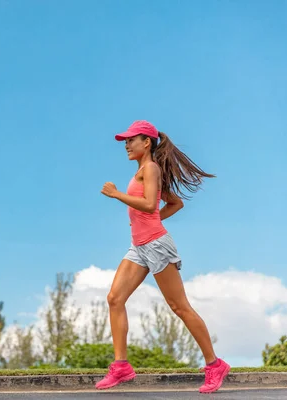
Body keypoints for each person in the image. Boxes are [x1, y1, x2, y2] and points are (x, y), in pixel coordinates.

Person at [96, 120, 230, 394]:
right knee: (114, 299)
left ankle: (215, 364)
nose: (126, 144)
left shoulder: (151, 169)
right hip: (139, 247)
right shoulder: (142, 172)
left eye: (131, 140)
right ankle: (121, 366)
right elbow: (172, 203)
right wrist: (153, 215)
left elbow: (147, 205)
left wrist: (117, 195)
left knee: (179, 307)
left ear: (146, 142)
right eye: (125, 140)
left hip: (156, 246)